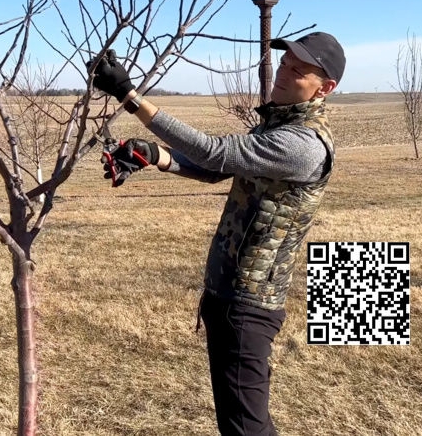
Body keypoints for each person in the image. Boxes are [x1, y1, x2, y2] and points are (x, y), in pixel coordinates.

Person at [87, 32, 346, 436]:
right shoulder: (276, 127)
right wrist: (155, 156)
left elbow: (216, 152)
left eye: (298, 70)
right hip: (231, 297)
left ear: (324, 89)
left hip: (247, 303)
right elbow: (214, 170)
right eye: (284, 62)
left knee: (246, 428)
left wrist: (129, 96)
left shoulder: (303, 144)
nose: (283, 72)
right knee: (243, 421)